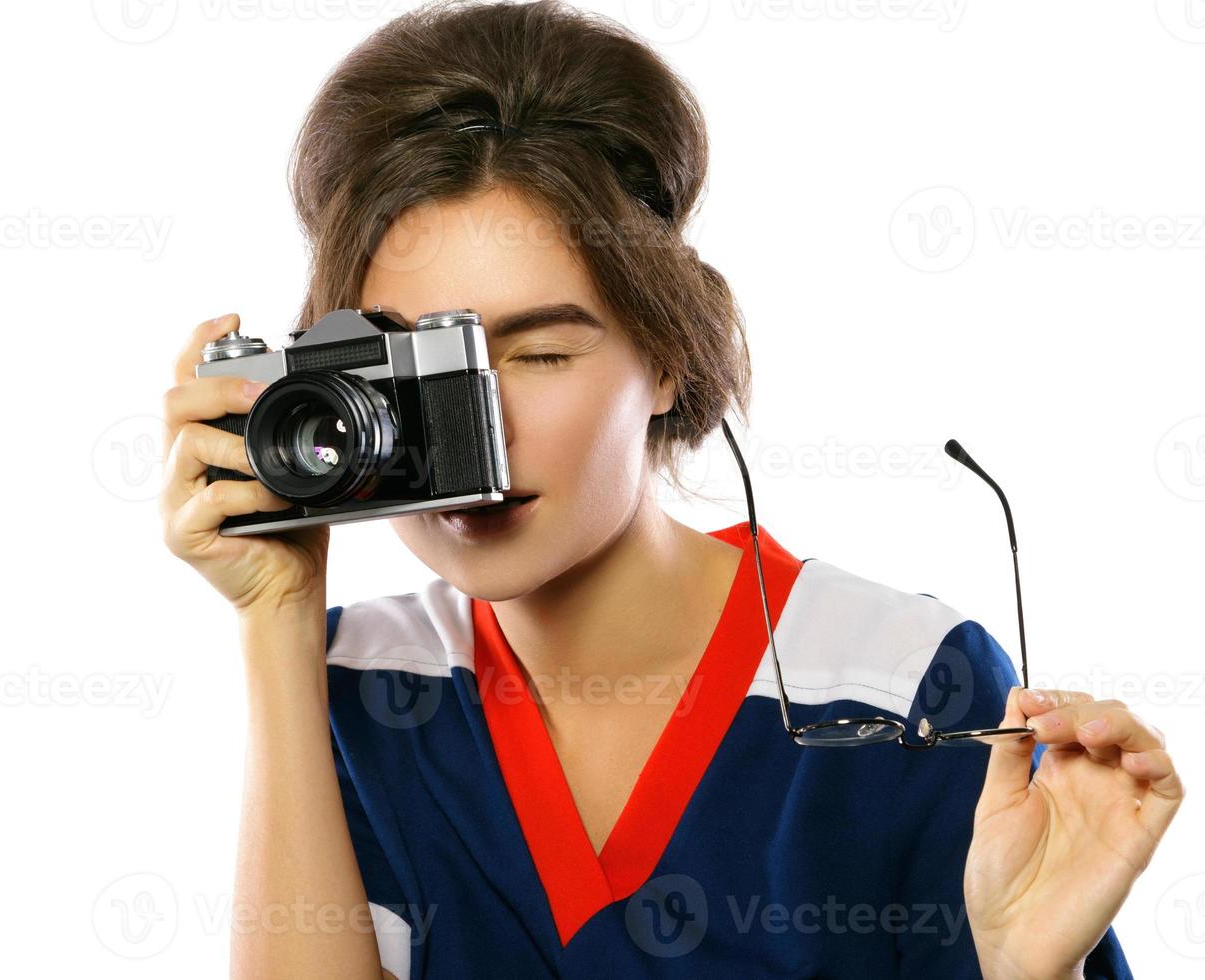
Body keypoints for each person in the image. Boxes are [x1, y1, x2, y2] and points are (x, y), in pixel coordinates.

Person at [161, 2, 1183, 977]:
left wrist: (1025, 970)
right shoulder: (351, 680)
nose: (473, 438)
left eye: (542, 354)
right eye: (412, 378)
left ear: (667, 356)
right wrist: (276, 617)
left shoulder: (904, 686)